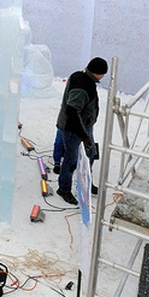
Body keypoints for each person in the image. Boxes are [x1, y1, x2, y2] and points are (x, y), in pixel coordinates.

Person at [54, 58, 107, 205]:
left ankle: (86, 183)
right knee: (71, 160)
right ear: (98, 74)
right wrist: (83, 135)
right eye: (102, 74)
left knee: (89, 155)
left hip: (84, 126)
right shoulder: (82, 86)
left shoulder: (81, 76)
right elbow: (72, 111)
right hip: (73, 129)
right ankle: (64, 189)